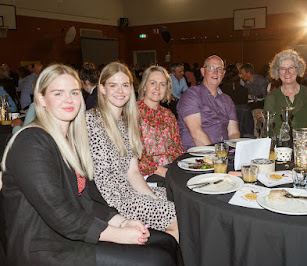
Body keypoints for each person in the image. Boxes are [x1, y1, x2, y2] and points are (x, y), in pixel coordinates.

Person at [1, 64, 180, 265]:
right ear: (41, 99)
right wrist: (117, 233)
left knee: (167, 243)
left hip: (75, 232)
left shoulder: (70, 140)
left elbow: (85, 200)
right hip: (45, 246)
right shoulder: (32, 142)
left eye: (74, 92)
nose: (69, 99)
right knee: (157, 258)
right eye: (58, 93)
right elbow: (61, 215)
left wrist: (122, 221)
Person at [86, 62, 179, 242]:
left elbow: (133, 172)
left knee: (183, 203)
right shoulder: (90, 120)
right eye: (113, 85)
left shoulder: (127, 123)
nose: (120, 91)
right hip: (111, 200)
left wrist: (152, 198)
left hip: (129, 191)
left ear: (131, 89)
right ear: (102, 88)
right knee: (176, 214)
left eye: (125, 85)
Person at [177, 55, 240, 150]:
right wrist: (218, 157)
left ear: (223, 73)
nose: (215, 72)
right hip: (196, 157)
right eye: (211, 68)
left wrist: (233, 152)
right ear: (203, 71)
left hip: (222, 156)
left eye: (219, 69)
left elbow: (233, 133)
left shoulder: (227, 100)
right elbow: (196, 133)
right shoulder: (191, 95)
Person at [137, 65, 184, 178]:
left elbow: (178, 148)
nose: (157, 88)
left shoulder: (168, 115)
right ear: (144, 86)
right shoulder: (133, 113)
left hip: (171, 169)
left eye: (162, 84)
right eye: (153, 83)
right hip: (147, 174)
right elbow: (134, 154)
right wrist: (164, 172)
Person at [263, 49, 307, 136]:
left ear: (298, 69)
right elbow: (269, 131)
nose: (287, 72)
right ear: (277, 72)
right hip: (279, 147)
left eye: (291, 67)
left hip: (304, 145)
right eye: (282, 68)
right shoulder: (271, 98)